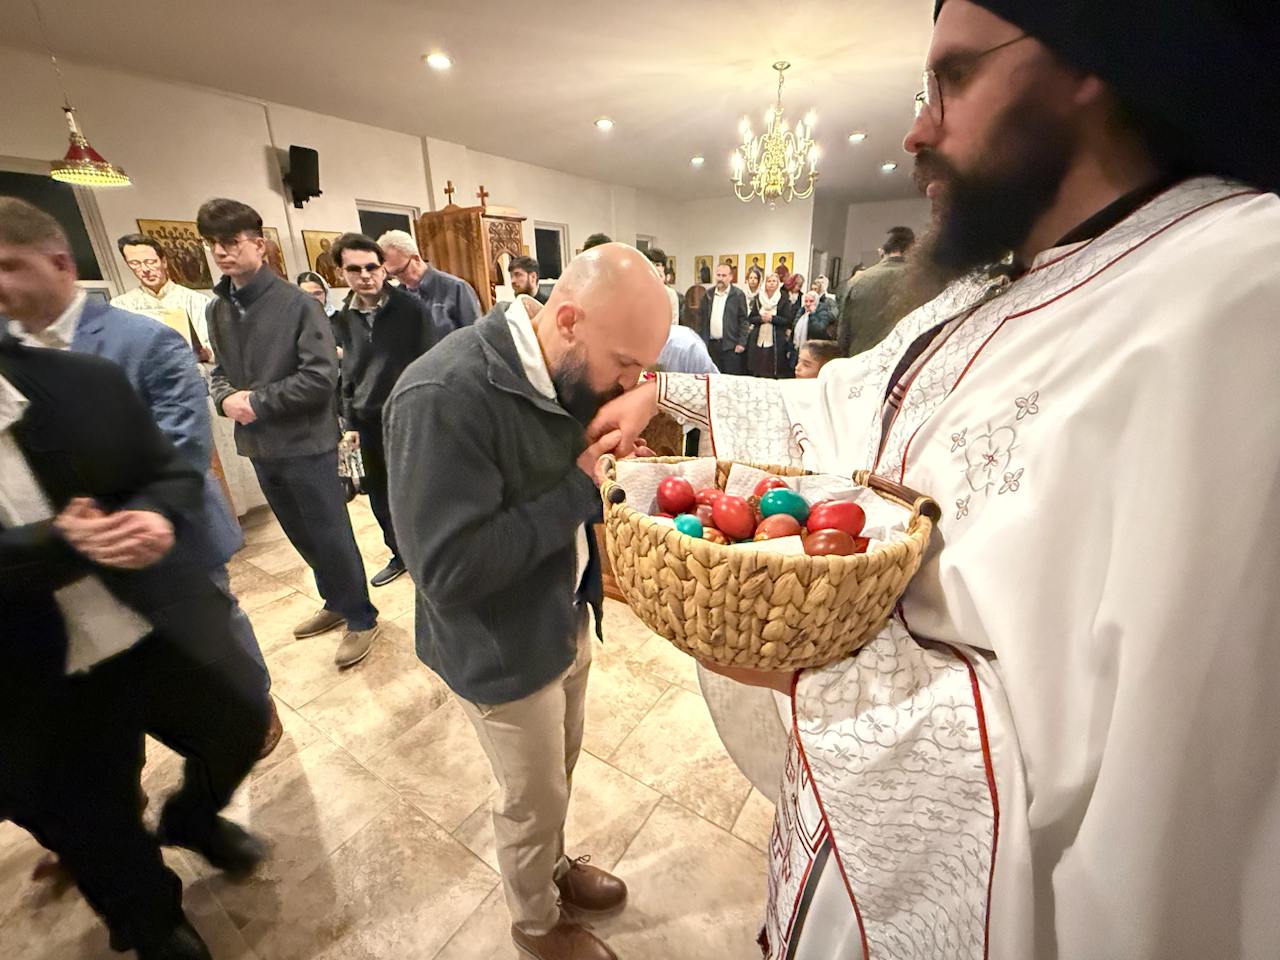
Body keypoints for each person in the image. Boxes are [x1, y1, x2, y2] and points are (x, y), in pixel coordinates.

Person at [585, 1, 1280, 956]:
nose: (917, 129)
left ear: (1093, 51)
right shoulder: (996, 286)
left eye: (953, 77)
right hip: (845, 843)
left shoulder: (1240, 282)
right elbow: (849, 407)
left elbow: (1165, 777)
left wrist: (814, 672)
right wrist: (666, 396)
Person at [385, 243, 670, 960]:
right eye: (624, 364)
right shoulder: (441, 395)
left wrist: (639, 400)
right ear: (567, 320)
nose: (627, 382)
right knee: (529, 798)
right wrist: (579, 485)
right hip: (499, 646)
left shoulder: (565, 364)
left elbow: (619, 400)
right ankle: (535, 924)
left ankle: (553, 865)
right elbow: (447, 570)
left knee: (556, 776)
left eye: (639, 367)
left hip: (560, 614)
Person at [0, 333, 274, 960]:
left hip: (146, 619)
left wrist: (153, 511)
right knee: (95, 818)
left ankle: (192, 818)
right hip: (26, 671)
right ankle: (153, 922)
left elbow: (164, 467)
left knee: (236, 721)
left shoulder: (74, 377)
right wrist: (54, 545)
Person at [3, 198, 281, 756]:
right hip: (69, 552)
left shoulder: (142, 339)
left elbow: (182, 440)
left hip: (162, 532)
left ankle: (256, 706)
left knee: (214, 630)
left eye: (8, 266)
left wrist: (141, 512)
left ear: (59, 264)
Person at [200, 198, 380, 668]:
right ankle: (335, 601)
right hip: (260, 444)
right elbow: (219, 370)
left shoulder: (298, 304)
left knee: (330, 532)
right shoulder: (218, 308)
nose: (221, 252)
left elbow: (320, 377)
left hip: (305, 442)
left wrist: (255, 403)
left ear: (259, 244)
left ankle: (361, 616)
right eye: (213, 243)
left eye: (231, 241)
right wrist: (224, 398)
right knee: (299, 533)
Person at [330, 232, 441, 588]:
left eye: (372, 267)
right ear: (341, 273)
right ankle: (400, 554)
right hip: (366, 420)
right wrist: (348, 420)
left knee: (420, 489)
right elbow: (348, 373)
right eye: (354, 269)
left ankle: (430, 554)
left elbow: (432, 362)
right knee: (379, 493)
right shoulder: (342, 318)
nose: (365, 275)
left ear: (383, 269)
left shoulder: (411, 309)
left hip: (409, 417)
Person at [111, 233, 215, 362]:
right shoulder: (120, 306)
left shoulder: (198, 301)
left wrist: (207, 353)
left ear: (164, 262)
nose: (145, 269)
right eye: (135, 263)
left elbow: (222, 348)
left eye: (150, 262)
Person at [376, 229, 481, 334]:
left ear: (416, 258)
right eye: (392, 274)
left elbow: (475, 335)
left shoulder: (457, 288)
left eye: (400, 271)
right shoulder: (396, 297)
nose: (399, 279)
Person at [837, 225, 916, 357]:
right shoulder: (923, 281)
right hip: (903, 361)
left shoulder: (857, 281)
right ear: (912, 249)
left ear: (882, 251)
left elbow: (843, 334)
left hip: (861, 360)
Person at [697, 261, 749, 374]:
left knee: (730, 379)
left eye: (724, 275)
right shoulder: (708, 294)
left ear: (730, 277)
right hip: (711, 345)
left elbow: (744, 321)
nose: (720, 278)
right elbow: (702, 320)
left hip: (730, 347)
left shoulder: (738, 295)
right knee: (712, 378)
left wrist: (741, 343)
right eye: (718, 275)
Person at [746, 270, 792, 378]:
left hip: (776, 340)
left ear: (778, 283)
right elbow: (751, 318)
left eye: (774, 281)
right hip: (758, 339)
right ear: (765, 283)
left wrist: (772, 318)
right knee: (758, 368)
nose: (771, 283)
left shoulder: (784, 298)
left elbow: (787, 320)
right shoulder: (758, 298)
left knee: (772, 369)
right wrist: (761, 319)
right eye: (769, 281)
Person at [644, 247, 680, 324]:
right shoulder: (638, 290)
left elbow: (673, 323)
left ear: (663, 268)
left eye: (657, 265)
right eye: (650, 264)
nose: (654, 268)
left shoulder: (670, 294)